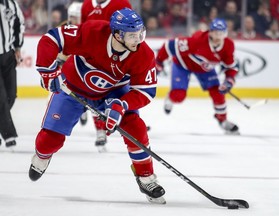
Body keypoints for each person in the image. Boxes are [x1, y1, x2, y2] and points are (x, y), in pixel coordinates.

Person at [28, 8, 166, 204]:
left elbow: (145, 91)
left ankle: (146, 177)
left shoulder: (143, 54)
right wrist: (47, 71)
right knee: (49, 141)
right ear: (117, 35)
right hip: (73, 88)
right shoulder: (92, 32)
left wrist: (122, 104)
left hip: (113, 94)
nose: (138, 39)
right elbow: (51, 39)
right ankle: (42, 156)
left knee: (136, 128)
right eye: (132, 35)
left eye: (140, 33)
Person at [155, 18, 240, 135]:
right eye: (215, 33)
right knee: (178, 96)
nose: (218, 37)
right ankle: (170, 97)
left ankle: (223, 120)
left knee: (218, 92)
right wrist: (159, 63)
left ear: (225, 33)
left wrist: (229, 80)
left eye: (221, 33)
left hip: (204, 69)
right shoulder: (197, 40)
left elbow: (231, 67)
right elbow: (169, 46)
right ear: (210, 32)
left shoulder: (228, 45)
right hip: (182, 64)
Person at [80, 0, 132, 150]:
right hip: (92, 58)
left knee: (120, 93)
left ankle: (130, 121)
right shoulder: (87, 5)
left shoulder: (122, 3)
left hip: (115, 58)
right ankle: (100, 131)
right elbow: (83, 30)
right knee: (93, 94)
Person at [0, 0, 25, 147]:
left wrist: (17, 47)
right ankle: (9, 135)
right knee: (1, 97)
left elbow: (19, 24)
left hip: (8, 55)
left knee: (11, 94)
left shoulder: (12, 4)